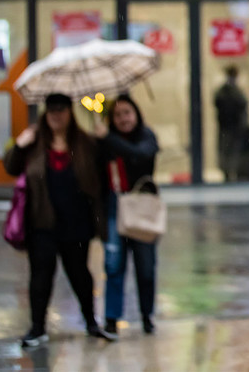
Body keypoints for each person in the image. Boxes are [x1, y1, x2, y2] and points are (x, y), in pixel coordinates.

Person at [3, 92, 115, 348]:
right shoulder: (33, 143)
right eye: (51, 110)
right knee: (41, 276)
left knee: (80, 275)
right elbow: (11, 167)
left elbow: (102, 173)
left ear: (69, 113)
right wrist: (19, 145)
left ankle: (91, 322)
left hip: (77, 223)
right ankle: (37, 327)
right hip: (41, 223)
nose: (56, 115)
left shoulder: (85, 143)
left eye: (61, 110)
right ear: (46, 114)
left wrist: (104, 139)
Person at [94, 93, 159, 337]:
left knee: (145, 267)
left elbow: (140, 154)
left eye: (127, 113)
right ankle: (111, 318)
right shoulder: (103, 142)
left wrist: (108, 138)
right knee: (113, 264)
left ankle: (146, 315)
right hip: (114, 207)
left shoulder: (146, 136)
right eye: (118, 114)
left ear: (136, 114)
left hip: (142, 209)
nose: (123, 119)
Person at [214, 66, 248, 181]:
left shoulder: (233, 90)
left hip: (233, 126)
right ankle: (227, 172)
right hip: (228, 126)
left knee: (231, 151)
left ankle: (231, 172)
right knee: (227, 150)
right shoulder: (226, 91)